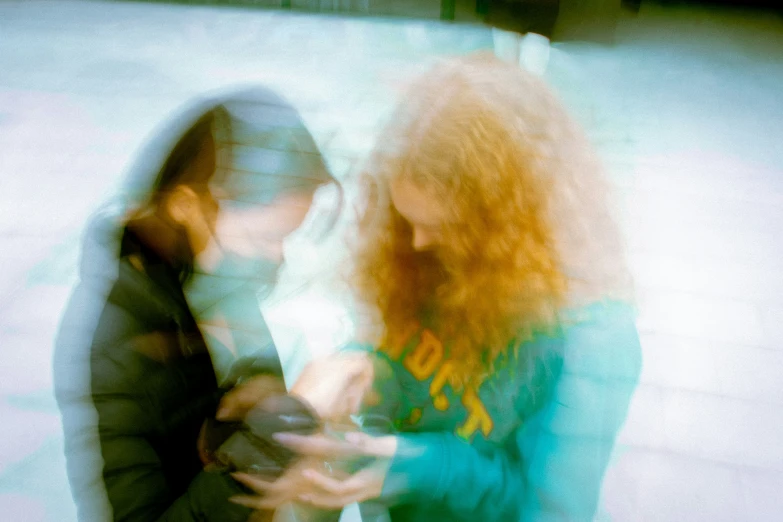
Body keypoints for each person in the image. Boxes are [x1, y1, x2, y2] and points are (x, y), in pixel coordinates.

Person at [231, 53, 643, 521]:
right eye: (407, 221)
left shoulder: (591, 340)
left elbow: (548, 510)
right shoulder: (434, 258)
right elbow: (409, 363)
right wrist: (365, 373)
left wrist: (420, 468)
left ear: (505, 225)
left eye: (443, 226)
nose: (419, 242)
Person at [53, 86, 346, 522]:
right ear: (186, 205)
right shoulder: (116, 340)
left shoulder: (219, 279)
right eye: (263, 238)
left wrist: (263, 399)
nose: (278, 257)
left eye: (285, 237)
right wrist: (284, 425)